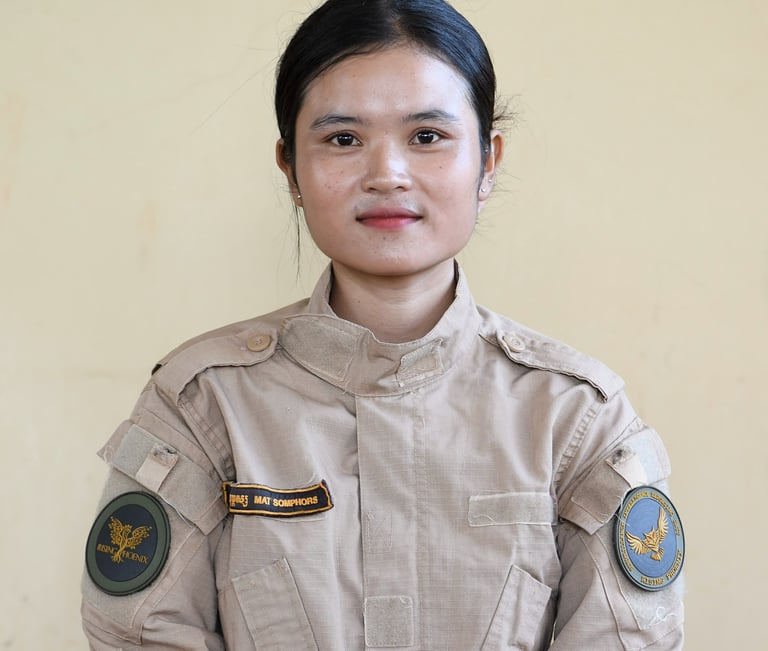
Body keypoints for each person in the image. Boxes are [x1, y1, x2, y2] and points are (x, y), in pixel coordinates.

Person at [81, 0, 685, 648]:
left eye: (426, 137)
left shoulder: (576, 417)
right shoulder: (203, 404)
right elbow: (139, 633)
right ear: (291, 168)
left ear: (487, 161)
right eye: (343, 139)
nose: (387, 175)